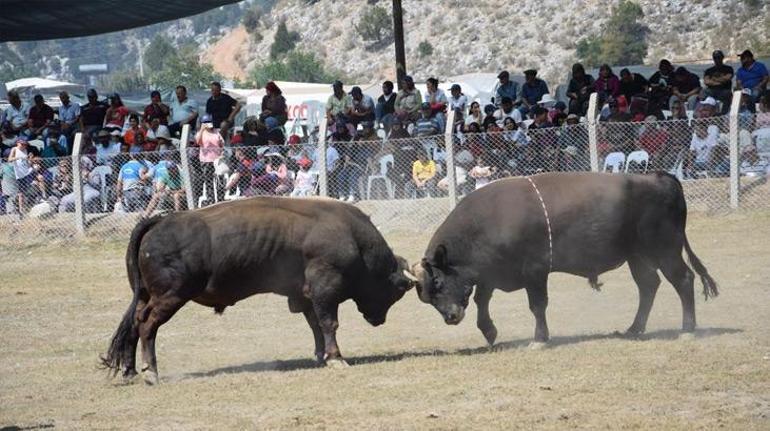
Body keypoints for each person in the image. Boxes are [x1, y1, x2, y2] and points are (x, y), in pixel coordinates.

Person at [195, 114, 225, 204]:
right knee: (208, 180)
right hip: (206, 160)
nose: (209, 124)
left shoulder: (216, 131)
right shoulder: (201, 133)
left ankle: (220, 197)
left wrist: (221, 151)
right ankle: (211, 199)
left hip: (217, 160)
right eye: (206, 122)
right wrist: (202, 129)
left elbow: (222, 143)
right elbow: (197, 141)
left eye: (209, 122)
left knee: (219, 179)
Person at [7, 138, 35, 214]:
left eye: (25, 145)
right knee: (21, 193)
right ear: (18, 143)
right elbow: (9, 159)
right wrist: (18, 157)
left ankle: (27, 207)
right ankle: (21, 210)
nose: (24, 146)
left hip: (27, 172)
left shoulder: (26, 151)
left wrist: (30, 159)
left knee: (28, 191)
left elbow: (28, 163)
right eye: (22, 144)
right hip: (20, 175)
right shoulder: (14, 149)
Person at [703, 50, 734, 114]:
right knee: (703, 92)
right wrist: (720, 81)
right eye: (715, 58)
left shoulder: (728, 69)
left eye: (719, 57)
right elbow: (706, 82)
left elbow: (727, 78)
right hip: (711, 91)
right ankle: (706, 114)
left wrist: (713, 79)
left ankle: (723, 114)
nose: (717, 59)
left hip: (724, 90)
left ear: (722, 58)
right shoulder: (709, 70)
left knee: (727, 94)